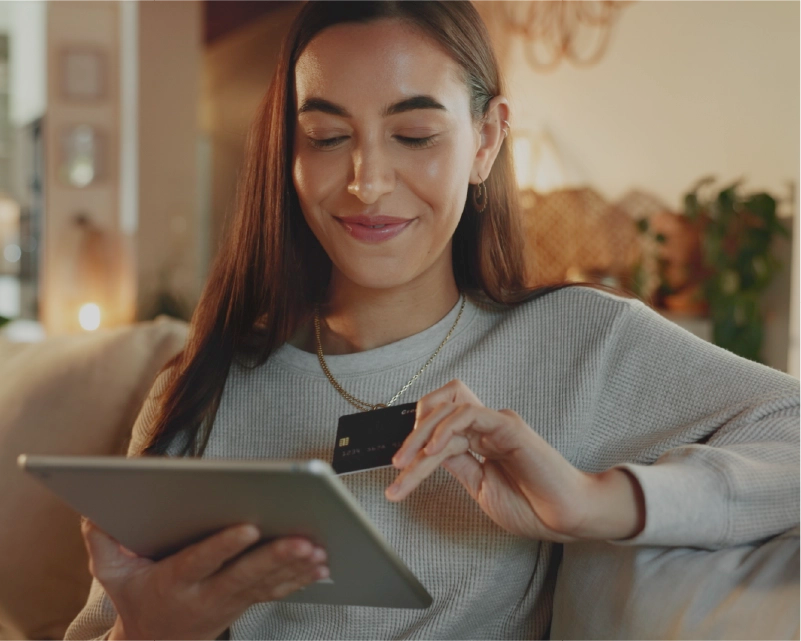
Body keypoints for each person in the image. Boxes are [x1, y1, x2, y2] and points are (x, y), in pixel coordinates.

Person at [66, 1, 801, 640]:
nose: (367, 182)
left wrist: (593, 501)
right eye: (326, 138)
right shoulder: (201, 386)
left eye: (413, 135)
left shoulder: (580, 341)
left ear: (485, 141)